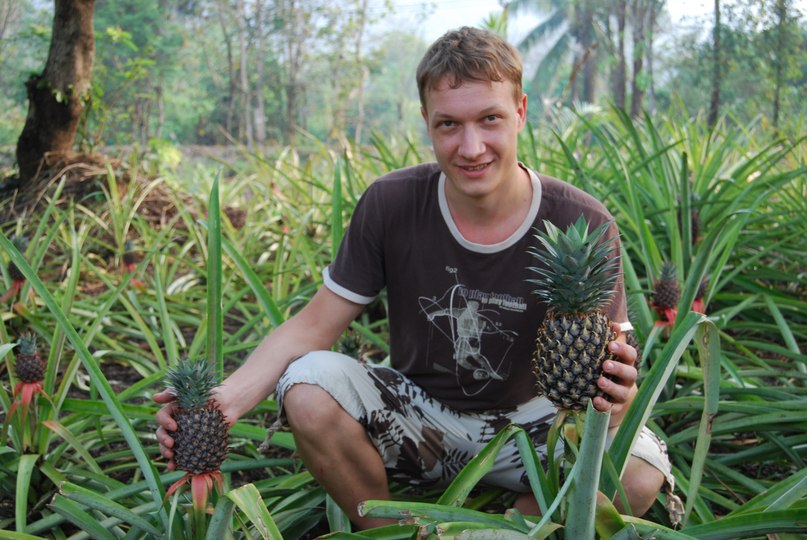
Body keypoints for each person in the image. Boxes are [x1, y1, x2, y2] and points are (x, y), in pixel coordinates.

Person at [154, 26, 673, 529]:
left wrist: (619, 396)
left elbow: (612, 379)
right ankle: (390, 528)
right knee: (307, 385)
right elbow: (312, 327)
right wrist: (221, 404)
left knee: (639, 473)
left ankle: (498, 528)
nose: (471, 147)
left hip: (539, 422)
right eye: (449, 125)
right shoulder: (392, 203)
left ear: (520, 112)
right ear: (427, 122)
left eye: (490, 119)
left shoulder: (580, 221)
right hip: (418, 419)